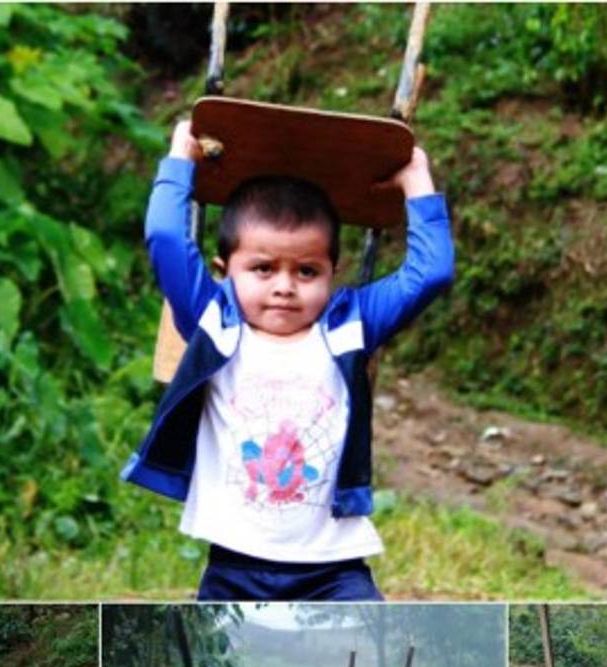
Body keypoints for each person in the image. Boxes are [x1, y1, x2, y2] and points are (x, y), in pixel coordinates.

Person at [122, 118, 455, 602]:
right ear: (224, 272)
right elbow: (167, 238)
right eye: (262, 268)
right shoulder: (214, 321)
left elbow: (432, 272)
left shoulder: (351, 325)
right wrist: (180, 157)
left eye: (306, 271)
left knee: (375, 639)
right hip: (234, 565)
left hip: (334, 569)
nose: (284, 286)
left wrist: (415, 176)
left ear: (333, 273)